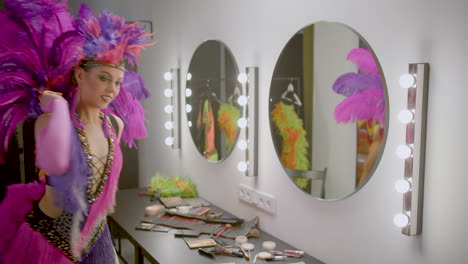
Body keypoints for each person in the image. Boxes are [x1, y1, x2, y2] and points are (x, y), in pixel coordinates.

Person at [0, 1, 153, 263]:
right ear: (80, 75)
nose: (112, 89)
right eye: (103, 78)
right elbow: (55, 163)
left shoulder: (114, 124)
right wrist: (58, 106)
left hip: (98, 239)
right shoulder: (50, 123)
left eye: (117, 81)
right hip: (50, 245)